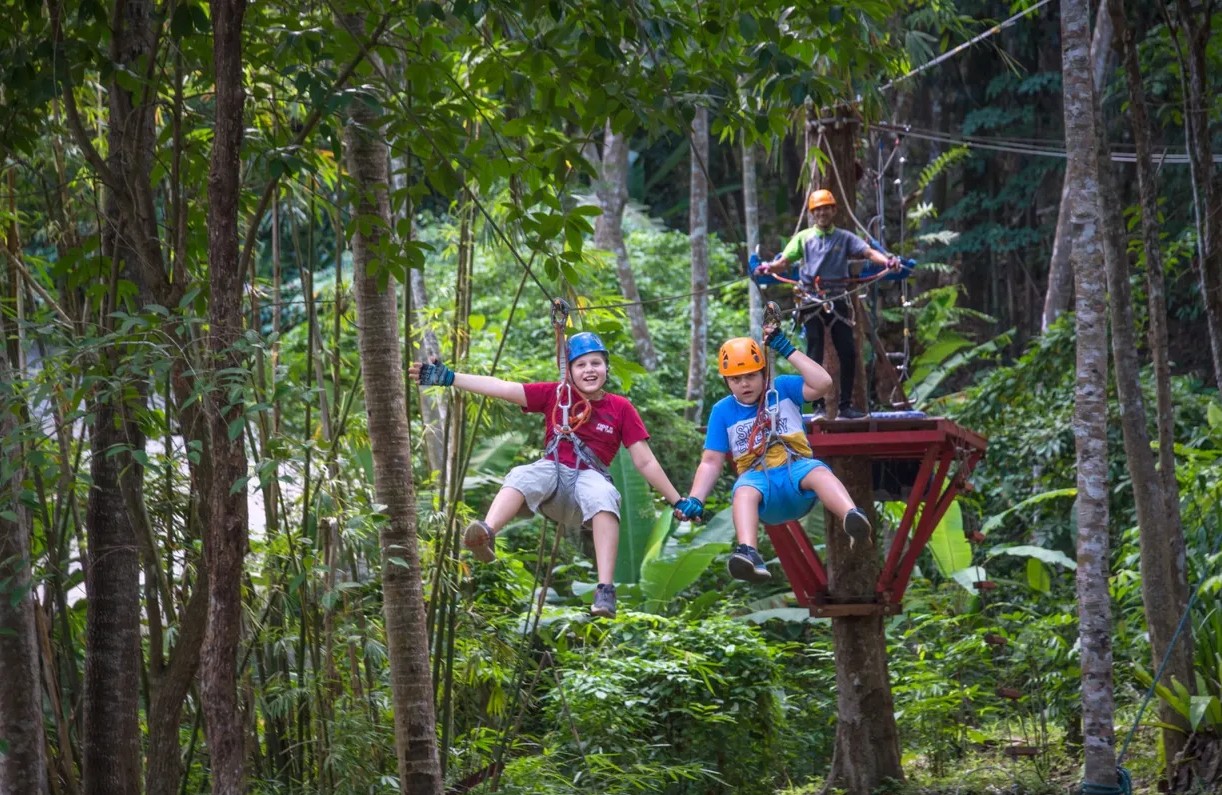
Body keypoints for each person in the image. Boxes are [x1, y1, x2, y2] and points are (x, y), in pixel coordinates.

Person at [409, 332, 696, 619]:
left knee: (605, 495)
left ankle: (605, 590)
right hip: (553, 473)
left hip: (589, 481)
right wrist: (451, 378)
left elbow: (644, 461)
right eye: (581, 365)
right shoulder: (555, 395)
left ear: (607, 369)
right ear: (569, 371)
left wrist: (677, 501)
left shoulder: (620, 408)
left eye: (596, 363)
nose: (589, 370)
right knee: (523, 474)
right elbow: (501, 388)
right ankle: (486, 532)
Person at [672, 325, 872, 583]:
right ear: (726, 382)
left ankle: (852, 516)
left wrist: (786, 348)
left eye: (751, 376)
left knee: (820, 472)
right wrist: (696, 498)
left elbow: (823, 384)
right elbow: (711, 462)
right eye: (736, 379)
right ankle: (748, 552)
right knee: (742, 492)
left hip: (795, 468)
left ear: (763, 373)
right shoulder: (722, 411)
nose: (744, 384)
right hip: (758, 480)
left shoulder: (784, 388)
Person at [754, 188, 901, 420]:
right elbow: (783, 262)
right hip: (810, 299)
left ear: (833, 210)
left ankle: (845, 407)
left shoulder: (844, 238)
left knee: (848, 352)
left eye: (826, 208)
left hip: (837, 298)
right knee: (814, 351)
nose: (822, 213)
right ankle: (820, 407)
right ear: (813, 213)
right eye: (818, 209)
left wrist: (888, 261)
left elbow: (869, 252)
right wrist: (767, 268)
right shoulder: (803, 238)